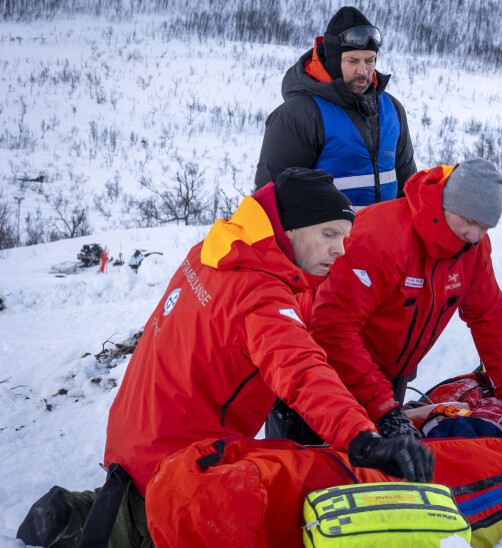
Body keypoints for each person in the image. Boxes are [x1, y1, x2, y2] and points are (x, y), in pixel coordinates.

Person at [17, 168, 433, 548]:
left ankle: (84, 511)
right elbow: (302, 369)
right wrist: (362, 438)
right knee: (279, 491)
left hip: (134, 435)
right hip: (176, 464)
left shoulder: (216, 251)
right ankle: (108, 524)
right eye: (328, 234)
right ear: (290, 227)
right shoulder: (258, 293)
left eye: (344, 237)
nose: (341, 250)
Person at [274, 159, 502, 443]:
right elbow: (333, 328)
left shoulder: (473, 248)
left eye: (485, 227)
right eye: (468, 221)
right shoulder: (379, 237)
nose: (474, 236)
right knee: (313, 467)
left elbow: (488, 316)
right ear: (445, 204)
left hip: (385, 376)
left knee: (382, 473)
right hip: (318, 373)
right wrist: (381, 407)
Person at [254, 6, 417, 206]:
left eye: (370, 60)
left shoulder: (392, 110)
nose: (363, 71)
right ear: (332, 62)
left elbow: (408, 191)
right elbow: (272, 202)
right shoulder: (299, 115)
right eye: (352, 61)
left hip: (385, 237)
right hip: (330, 237)